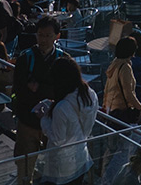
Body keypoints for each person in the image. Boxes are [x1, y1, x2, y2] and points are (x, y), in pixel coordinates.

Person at [13, 16, 67, 185]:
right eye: (40, 35)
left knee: (54, 166)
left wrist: (38, 88)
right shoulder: (25, 58)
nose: (43, 39)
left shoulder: (63, 59)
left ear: (57, 36)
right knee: (25, 165)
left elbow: (66, 90)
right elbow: (18, 90)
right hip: (29, 121)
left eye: (47, 36)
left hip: (53, 122)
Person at [37, 56, 99, 185]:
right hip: (81, 156)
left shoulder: (62, 107)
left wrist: (44, 119)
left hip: (62, 166)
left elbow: (58, 139)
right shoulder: (90, 94)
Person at [104, 36, 141, 123]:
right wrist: (139, 106)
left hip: (111, 108)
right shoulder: (125, 68)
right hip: (121, 110)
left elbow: (107, 88)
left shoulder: (114, 64)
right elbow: (128, 93)